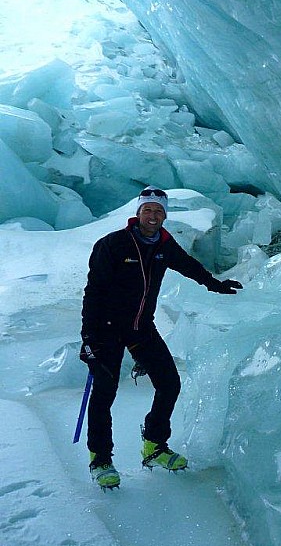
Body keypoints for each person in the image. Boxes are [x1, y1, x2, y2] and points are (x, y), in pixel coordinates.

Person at [79, 187, 242, 490]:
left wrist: (215, 284)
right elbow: (94, 291)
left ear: (164, 215)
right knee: (105, 392)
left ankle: (154, 446)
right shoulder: (112, 245)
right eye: (147, 210)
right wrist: (88, 336)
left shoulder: (164, 245)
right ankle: (100, 459)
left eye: (158, 211)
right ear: (138, 213)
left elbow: (188, 266)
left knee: (169, 383)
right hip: (106, 329)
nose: (152, 216)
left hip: (141, 328)